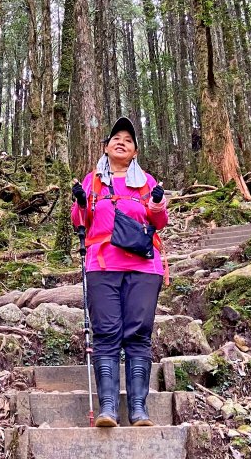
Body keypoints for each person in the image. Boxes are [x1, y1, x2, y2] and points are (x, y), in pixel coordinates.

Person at [70, 117, 168, 428]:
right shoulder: (93, 181)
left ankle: (139, 409)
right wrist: (81, 201)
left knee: (139, 335)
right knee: (106, 334)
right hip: (102, 265)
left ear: (135, 151)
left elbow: (160, 221)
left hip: (143, 266)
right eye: (115, 138)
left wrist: (155, 205)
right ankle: (108, 408)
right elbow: (79, 221)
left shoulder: (147, 182)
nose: (121, 141)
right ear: (106, 147)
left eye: (128, 139)